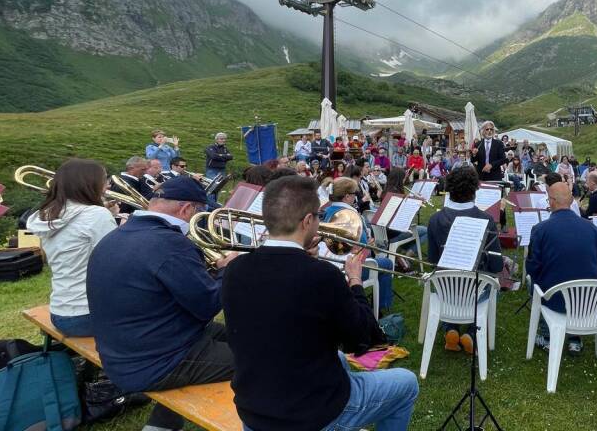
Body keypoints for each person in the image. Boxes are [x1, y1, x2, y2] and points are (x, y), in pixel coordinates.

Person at [222, 176, 418, 431]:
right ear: (307, 221)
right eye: (318, 216)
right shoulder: (322, 276)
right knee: (407, 383)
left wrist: (306, 260)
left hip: (255, 409)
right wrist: (355, 281)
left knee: (339, 359)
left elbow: (279, 311)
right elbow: (362, 340)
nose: (320, 222)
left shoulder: (234, 269)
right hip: (310, 415)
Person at [87, 177, 239, 430]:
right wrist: (227, 270)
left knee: (244, 335)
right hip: (155, 362)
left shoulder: (118, 235)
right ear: (187, 209)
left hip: (129, 350)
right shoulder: (170, 244)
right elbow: (209, 305)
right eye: (198, 212)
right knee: (261, 356)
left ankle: (161, 425)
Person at [26, 158, 118, 337]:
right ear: (89, 184)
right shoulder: (97, 215)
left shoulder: (49, 213)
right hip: (89, 314)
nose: (107, 186)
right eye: (104, 180)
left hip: (60, 311)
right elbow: (117, 262)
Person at [527, 181, 597, 354]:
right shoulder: (592, 228)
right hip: (588, 301)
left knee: (533, 284)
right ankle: (575, 338)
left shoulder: (540, 229)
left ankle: (548, 336)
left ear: (551, 202)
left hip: (555, 300)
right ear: (572, 200)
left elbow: (532, 268)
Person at [425, 166, 502, 354]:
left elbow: (433, 260)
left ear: (449, 189)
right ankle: (471, 333)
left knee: (449, 284)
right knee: (495, 286)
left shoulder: (434, 220)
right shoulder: (486, 219)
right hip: (476, 290)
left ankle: (450, 328)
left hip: (445, 288)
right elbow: (496, 265)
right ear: (475, 189)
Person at [321, 178, 395, 314]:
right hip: (348, 268)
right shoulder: (350, 215)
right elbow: (360, 252)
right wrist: (369, 245)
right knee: (387, 264)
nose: (356, 196)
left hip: (329, 264)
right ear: (347, 196)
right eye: (355, 193)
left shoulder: (325, 210)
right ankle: (381, 308)